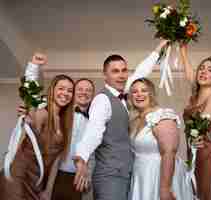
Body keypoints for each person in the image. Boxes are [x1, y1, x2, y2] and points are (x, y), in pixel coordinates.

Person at [73, 40, 169, 200]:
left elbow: (140, 72)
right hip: (109, 176)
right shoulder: (102, 100)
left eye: (124, 70)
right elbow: (93, 132)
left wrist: (158, 49)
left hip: (126, 173)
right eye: (115, 71)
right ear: (105, 74)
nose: (121, 75)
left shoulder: (125, 93)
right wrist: (81, 158)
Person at [1, 53, 74, 200]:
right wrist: (33, 67)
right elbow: (30, 97)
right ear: (52, 90)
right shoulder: (42, 113)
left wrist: (48, 190)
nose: (65, 93)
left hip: (37, 182)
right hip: (19, 176)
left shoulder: (65, 123)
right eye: (61, 88)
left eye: (70, 90)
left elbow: (55, 163)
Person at [22, 59, 96, 200]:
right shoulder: (60, 113)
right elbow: (34, 109)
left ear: (92, 94)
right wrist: (26, 112)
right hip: (51, 173)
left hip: (76, 177)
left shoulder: (96, 122)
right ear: (74, 93)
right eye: (80, 89)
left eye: (89, 90)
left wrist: (88, 174)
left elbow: (93, 153)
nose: (84, 93)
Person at [128, 78, 194, 200]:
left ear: (151, 94)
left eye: (144, 90)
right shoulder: (135, 121)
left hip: (159, 175)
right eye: (134, 92)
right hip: (141, 175)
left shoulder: (162, 116)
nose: (139, 95)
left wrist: (165, 188)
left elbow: (169, 152)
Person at [180, 44, 211, 200]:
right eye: (201, 68)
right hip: (193, 149)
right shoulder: (195, 96)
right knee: (196, 191)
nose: (203, 72)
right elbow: (189, 74)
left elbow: (199, 126)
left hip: (206, 152)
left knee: (207, 192)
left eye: (210, 70)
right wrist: (182, 49)